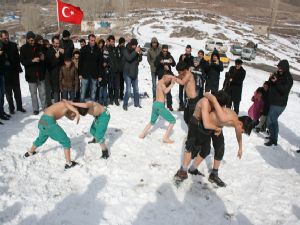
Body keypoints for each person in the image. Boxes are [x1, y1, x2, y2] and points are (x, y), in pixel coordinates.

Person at [175, 92, 253, 187]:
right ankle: (182, 171)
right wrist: (217, 128)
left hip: (212, 126)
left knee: (212, 149)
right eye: (243, 131)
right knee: (192, 147)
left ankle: (200, 171)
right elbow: (207, 122)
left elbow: (238, 134)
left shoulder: (235, 119)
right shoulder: (221, 115)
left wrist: (240, 148)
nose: (222, 107)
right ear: (240, 124)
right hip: (201, 124)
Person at [23, 101, 82, 169]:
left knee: (41, 139)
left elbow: (71, 117)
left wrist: (74, 115)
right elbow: (67, 104)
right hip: (49, 123)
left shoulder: (63, 107)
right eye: (75, 110)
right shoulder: (66, 103)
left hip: (42, 121)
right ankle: (69, 163)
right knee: (66, 141)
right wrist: (77, 112)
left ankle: (30, 152)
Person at [139, 75, 176, 143]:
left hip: (155, 104)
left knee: (152, 121)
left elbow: (167, 76)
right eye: (168, 80)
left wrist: (172, 77)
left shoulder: (159, 81)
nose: (169, 81)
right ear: (165, 78)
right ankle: (165, 138)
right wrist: (172, 84)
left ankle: (142, 134)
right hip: (160, 106)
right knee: (173, 120)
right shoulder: (162, 84)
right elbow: (165, 91)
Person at [265, 60, 293, 146]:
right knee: (272, 120)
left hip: (279, 104)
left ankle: (274, 139)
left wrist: (276, 81)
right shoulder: (278, 74)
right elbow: (271, 84)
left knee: (271, 121)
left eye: (280, 68)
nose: (278, 69)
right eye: (278, 67)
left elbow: (284, 90)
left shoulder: (288, 78)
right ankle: (273, 137)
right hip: (273, 101)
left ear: (285, 68)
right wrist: (270, 79)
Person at [20, 31, 46, 115]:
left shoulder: (39, 46)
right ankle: (36, 109)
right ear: (27, 39)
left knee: (43, 93)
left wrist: (42, 58)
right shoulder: (23, 48)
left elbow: (43, 55)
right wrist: (32, 60)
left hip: (40, 74)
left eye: (33, 40)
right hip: (31, 75)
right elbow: (23, 61)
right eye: (31, 40)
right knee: (33, 94)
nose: (32, 42)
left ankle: (45, 107)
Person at [1, 30, 26, 115]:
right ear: (1, 38)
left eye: (7, 37)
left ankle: (19, 106)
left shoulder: (13, 45)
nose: (7, 39)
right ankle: (11, 108)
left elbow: (17, 58)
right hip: (5, 73)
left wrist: (18, 68)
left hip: (14, 71)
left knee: (17, 90)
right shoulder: (0, 47)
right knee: (8, 92)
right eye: (5, 38)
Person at [78, 34, 103, 102]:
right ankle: (82, 105)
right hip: (85, 74)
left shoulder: (98, 50)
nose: (93, 42)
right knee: (83, 91)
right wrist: (79, 73)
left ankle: (92, 105)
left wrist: (100, 75)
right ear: (88, 40)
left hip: (94, 74)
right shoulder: (84, 49)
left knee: (93, 91)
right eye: (91, 40)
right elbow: (80, 62)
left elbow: (100, 64)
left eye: (94, 40)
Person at [122, 38, 143, 111]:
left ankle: (136, 103)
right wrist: (135, 51)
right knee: (128, 90)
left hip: (135, 72)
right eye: (133, 45)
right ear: (131, 44)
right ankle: (125, 104)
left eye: (135, 45)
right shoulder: (125, 50)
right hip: (127, 72)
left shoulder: (135, 51)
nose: (135, 46)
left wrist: (140, 54)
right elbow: (129, 58)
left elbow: (139, 60)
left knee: (136, 89)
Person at [154, 44, 176, 111]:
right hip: (161, 76)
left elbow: (174, 64)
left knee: (168, 91)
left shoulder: (169, 56)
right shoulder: (158, 56)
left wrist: (171, 61)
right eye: (164, 51)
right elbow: (155, 64)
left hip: (168, 76)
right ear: (162, 50)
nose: (165, 52)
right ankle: (161, 105)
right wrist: (160, 63)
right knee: (161, 92)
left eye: (166, 51)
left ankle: (169, 105)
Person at [46, 35, 64, 103]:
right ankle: (57, 107)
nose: (57, 45)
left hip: (62, 74)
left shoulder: (61, 50)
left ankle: (63, 106)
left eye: (58, 43)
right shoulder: (49, 52)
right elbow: (49, 65)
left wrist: (64, 53)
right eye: (56, 43)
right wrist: (55, 58)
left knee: (62, 91)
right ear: (53, 43)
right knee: (56, 92)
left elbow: (64, 62)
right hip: (54, 75)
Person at [178, 45, 194, 111]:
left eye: (189, 50)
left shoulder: (192, 58)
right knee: (181, 90)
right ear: (185, 50)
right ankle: (181, 104)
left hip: (188, 76)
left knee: (187, 91)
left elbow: (193, 66)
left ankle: (186, 104)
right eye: (187, 50)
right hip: (182, 75)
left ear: (191, 50)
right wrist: (182, 60)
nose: (188, 51)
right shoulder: (182, 56)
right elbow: (178, 65)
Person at [107, 35, 121, 106]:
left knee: (117, 86)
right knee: (110, 86)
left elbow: (119, 59)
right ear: (109, 42)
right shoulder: (107, 49)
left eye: (113, 41)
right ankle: (111, 99)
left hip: (117, 71)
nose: (113, 43)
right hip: (110, 71)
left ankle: (116, 99)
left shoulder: (116, 49)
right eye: (111, 41)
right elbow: (105, 59)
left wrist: (119, 67)